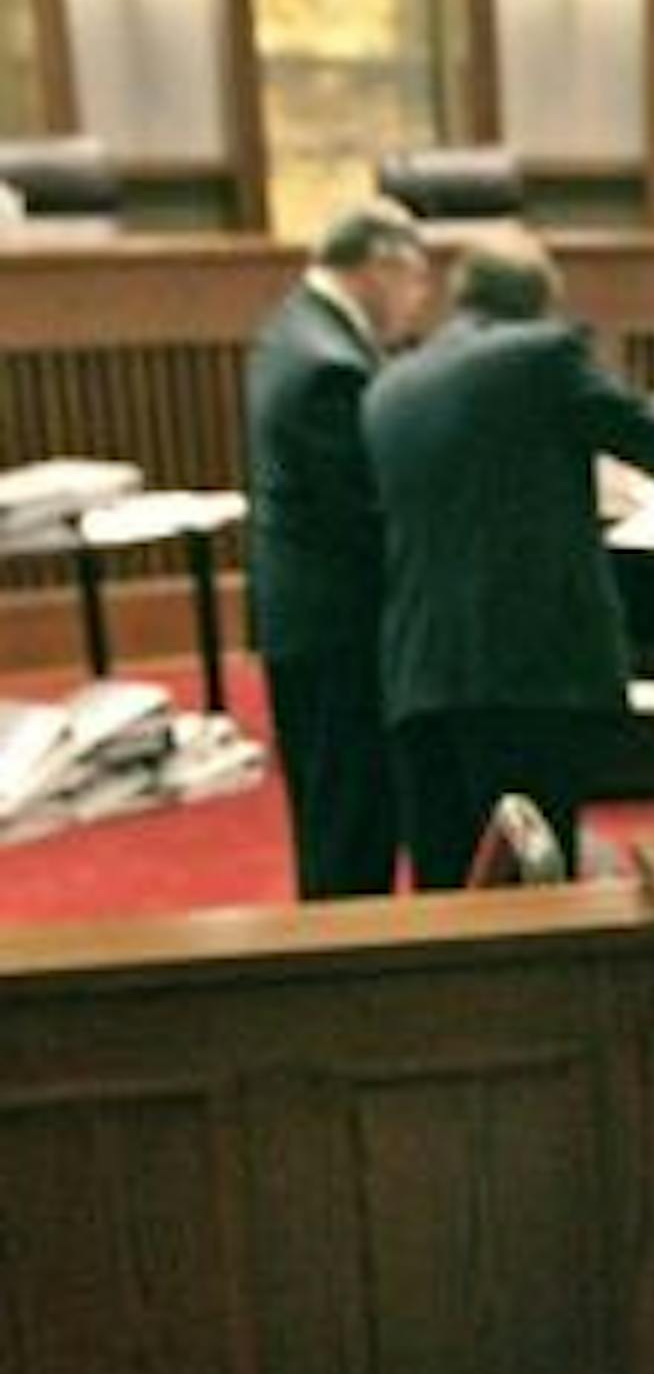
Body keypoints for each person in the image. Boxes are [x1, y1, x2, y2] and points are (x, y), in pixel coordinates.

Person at [362, 224, 654, 886]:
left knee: (449, 880)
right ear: (540, 302)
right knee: (537, 883)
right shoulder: (541, 357)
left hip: (418, 675)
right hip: (526, 673)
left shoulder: (390, 383)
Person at [245, 198, 432, 896]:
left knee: (333, 813)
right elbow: (364, 510)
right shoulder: (331, 366)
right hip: (337, 626)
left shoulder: (294, 325)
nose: (418, 304)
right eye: (417, 283)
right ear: (380, 266)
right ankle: (348, 974)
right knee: (348, 823)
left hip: (304, 616)